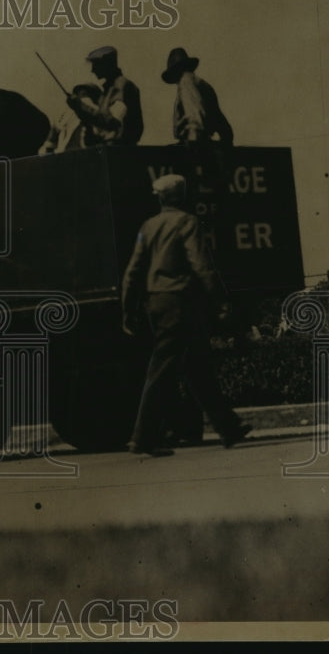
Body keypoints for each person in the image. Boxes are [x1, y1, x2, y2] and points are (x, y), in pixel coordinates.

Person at [120, 174, 251, 456]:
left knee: (196, 365)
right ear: (183, 195)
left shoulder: (148, 226)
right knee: (163, 368)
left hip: (155, 303)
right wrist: (220, 301)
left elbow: (132, 272)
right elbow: (201, 265)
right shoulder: (187, 222)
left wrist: (128, 308)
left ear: (159, 197)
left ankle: (229, 427)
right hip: (180, 302)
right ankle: (142, 438)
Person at [162, 47, 233, 194]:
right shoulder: (203, 85)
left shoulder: (186, 82)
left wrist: (193, 152)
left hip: (197, 147)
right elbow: (222, 124)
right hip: (208, 146)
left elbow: (194, 118)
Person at [66, 46, 143, 147]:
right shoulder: (109, 89)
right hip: (111, 149)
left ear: (107, 65)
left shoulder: (121, 86)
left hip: (119, 150)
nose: (92, 70)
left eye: (96, 65)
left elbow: (112, 123)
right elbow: (101, 121)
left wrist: (80, 107)